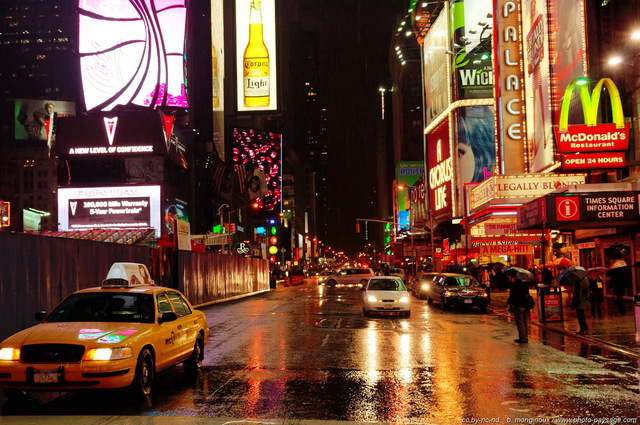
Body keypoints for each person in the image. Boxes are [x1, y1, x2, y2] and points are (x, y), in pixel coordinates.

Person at [506, 274, 532, 344]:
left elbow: (512, 296)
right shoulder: (526, 284)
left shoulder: (514, 285)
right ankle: (525, 337)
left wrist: (511, 305)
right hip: (526, 304)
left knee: (519, 322)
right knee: (525, 321)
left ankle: (522, 338)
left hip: (519, 304)